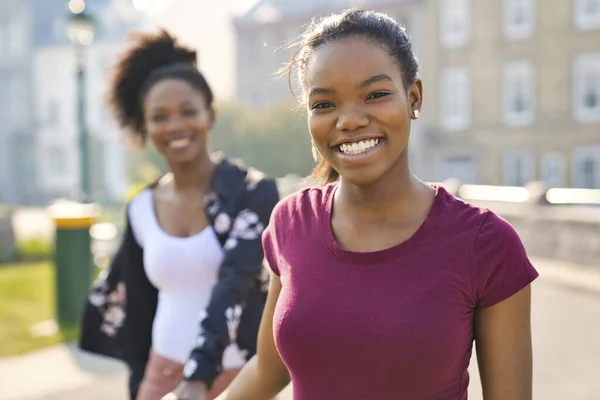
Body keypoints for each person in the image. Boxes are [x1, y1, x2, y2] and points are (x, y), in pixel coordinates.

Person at [181, 8, 537, 400]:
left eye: (376, 94)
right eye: (324, 104)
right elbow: (268, 370)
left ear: (413, 97)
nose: (349, 120)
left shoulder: (486, 245)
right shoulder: (290, 223)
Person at [78, 30, 279, 400]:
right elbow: (138, 311)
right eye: (160, 116)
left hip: (236, 377)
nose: (175, 126)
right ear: (146, 125)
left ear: (210, 115)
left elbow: (234, 283)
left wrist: (198, 376)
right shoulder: (141, 207)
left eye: (188, 111)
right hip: (161, 374)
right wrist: (142, 385)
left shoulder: (252, 193)